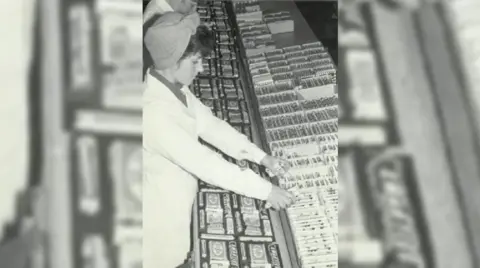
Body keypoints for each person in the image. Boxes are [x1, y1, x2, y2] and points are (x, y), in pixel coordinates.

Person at [143, 11, 295, 268]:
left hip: (178, 200)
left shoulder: (172, 87)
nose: (201, 68)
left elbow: (211, 125)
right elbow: (208, 165)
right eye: (196, 61)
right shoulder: (153, 113)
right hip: (160, 222)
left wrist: (261, 157)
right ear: (173, 61)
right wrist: (267, 190)